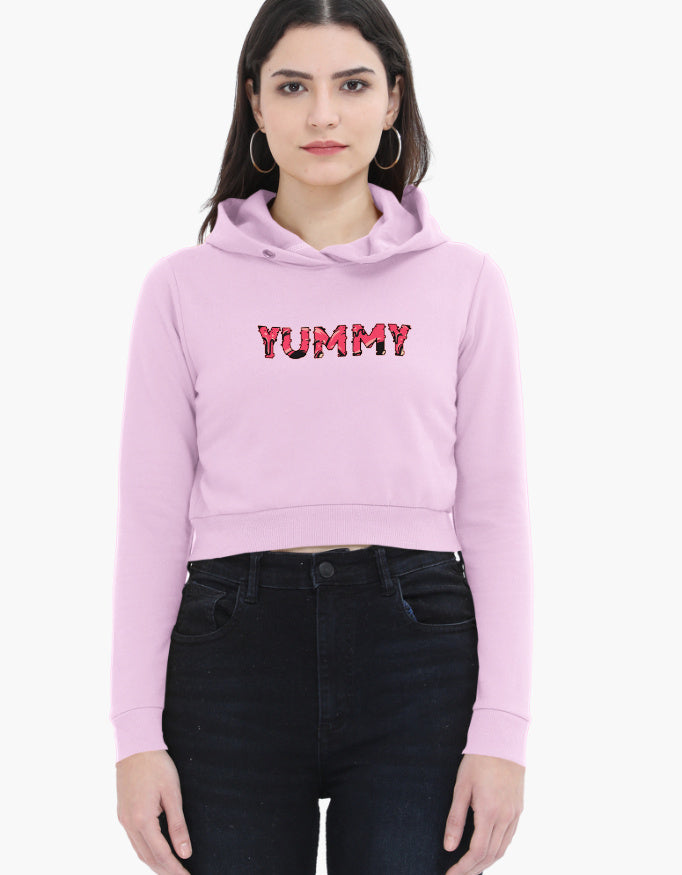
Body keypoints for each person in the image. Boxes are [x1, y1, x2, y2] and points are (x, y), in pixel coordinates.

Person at [111, 1, 533, 873]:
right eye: (294, 87)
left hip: (417, 652)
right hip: (230, 658)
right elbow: (150, 521)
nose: (323, 115)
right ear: (255, 103)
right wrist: (134, 735)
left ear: (393, 100)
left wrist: (503, 732)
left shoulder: (466, 282)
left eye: (353, 85)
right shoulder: (181, 289)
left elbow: (496, 514)